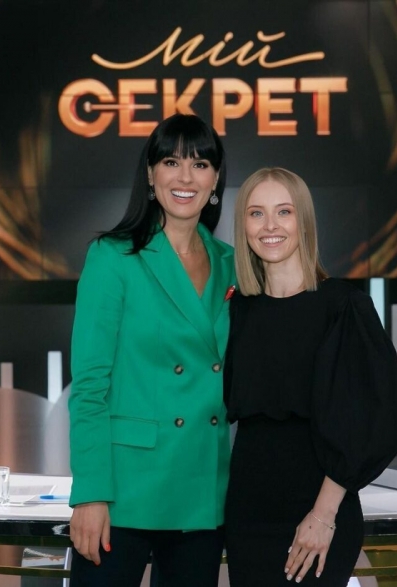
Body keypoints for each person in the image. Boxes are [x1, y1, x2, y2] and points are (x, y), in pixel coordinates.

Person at [68, 114, 236, 587]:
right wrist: (90, 493)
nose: (186, 177)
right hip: (124, 491)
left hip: (202, 487)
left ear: (216, 180)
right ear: (150, 173)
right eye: (171, 162)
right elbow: (90, 387)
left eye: (200, 164)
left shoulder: (232, 264)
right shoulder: (113, 256)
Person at [223, 167, 397, 586]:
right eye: (256, 213)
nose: (270, 226)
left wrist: (323, 516)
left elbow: (369, 422)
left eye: (284, 212)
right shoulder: (237, 312)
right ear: (243, 226)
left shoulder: (343, 306)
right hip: (248, 513)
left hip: (320, 511)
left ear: (303, 221)